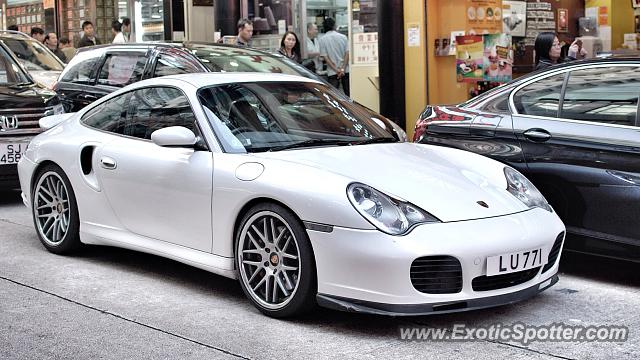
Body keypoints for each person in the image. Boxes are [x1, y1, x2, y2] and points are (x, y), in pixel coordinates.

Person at [318, 17, 350, 96]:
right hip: (345, 70)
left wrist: (336, 70)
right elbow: (347, 53)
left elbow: (326, 58)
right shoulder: (343, 37)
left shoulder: (322, 39)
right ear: (334, 26)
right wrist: (342, 69)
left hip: (332, 72)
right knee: (348, 95)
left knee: (334, 96)